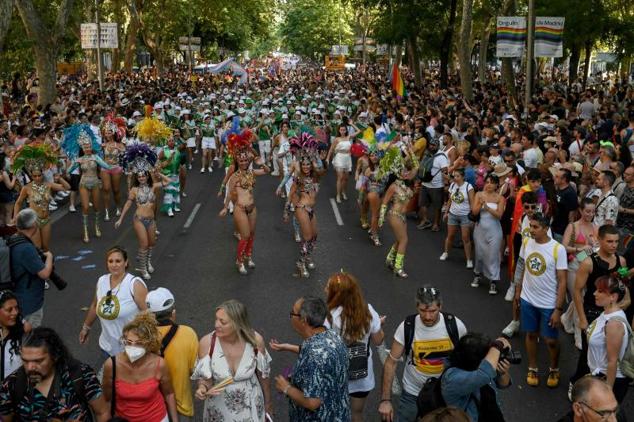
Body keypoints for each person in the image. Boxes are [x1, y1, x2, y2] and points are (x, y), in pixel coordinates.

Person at [378, 286, 467, 422]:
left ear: (440, 307)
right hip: (413, 392)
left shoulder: (456, 326)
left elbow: (467, 360)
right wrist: (385, 400)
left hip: (445, 393)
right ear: (416, 307)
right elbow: (391, 363)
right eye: (423, 311)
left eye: (432, 311)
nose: (427, 316)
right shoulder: (407, 326)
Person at [0, 327, 110, 421]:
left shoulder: (80, 374)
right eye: (25, 360)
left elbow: (102, 412)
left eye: (38, 361)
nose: (30, 367)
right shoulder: (11, 386)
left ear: (55, 356)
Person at [571, 225, 629, 394]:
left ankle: (600, 385)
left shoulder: (621, 261)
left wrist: (622, 304)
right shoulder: (588, 262)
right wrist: (582, 318)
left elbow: (623, 286)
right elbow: (576, 291)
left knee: (609, 354)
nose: (614, 245)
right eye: (610, 241)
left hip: (611, 313)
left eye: (616, 242)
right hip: (591, 312)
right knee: (587, 353)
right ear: (600, 241)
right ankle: (577, 383)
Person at [192, 299, 272, 421]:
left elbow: (263, 376)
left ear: (238, 324)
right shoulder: (207, 343)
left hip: (251, 406)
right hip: (219, 411)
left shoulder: (255, 341)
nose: (216, 325)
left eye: (222, 322)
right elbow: (205, 380)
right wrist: (202, 388)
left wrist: (268, 403)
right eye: (216, 319)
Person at [272, 296, 350, 421]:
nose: (291, 316)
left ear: (304, 320)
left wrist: (286, 387)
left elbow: (312, 402)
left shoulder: (314, 357)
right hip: (339, 412)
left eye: (293, 313)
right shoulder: (332, 335)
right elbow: (324, 366)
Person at [514, 212, 568, 388]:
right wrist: (517, 292)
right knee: (531, 334)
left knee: (550, 340)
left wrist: (558, 310)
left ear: (546, 229)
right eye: (531, 226)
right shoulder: (527, 242)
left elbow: (562, 281)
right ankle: (533, 367)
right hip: (528, 299)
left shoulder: (557, 249)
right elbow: (522, 267)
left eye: (536, 227)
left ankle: (554, 368)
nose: (531, 230)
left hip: (548, 305)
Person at [323, 272, 385, 422]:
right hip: (362, 374)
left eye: (328, 287)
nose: (325, 288)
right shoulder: (368, 311)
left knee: (335, 412)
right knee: (356, 413)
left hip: (337, 374)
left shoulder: (329, 316)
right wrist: (375, 325)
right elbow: (379, 340)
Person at [102, 312, 179, 422]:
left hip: (157, 418)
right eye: (129, 342)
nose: (132, 347)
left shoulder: (159, 364)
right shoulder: (111, 365)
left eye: (139, 343)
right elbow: (107, 399)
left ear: (148, 344)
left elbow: (169, 394)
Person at [79, 246, 148, 360]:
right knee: (111, 377)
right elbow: (95, 306)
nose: (114, 264)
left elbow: (149, 316)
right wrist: (86, 328)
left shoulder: (134, 284)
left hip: (131, 349)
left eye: (118, 261)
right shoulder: (102, 281)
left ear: (126, 263)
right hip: (107, 348)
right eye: (110, 261)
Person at [116, 143, 169, 280]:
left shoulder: (153, 187)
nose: (141, 178)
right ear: (137, 177)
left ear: (147, 176)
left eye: (143, 176)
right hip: (139, 219)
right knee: (144, 244)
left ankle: (147, 262)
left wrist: (159, 174)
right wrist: (121, 218)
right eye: (139, 176)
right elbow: (128, 204)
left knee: (152, 243)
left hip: (151, 220)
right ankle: (143, 268)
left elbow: (168, 182)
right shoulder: (134, 190)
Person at [146, 287, 199, 421]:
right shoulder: (188, 333)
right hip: (180, 407)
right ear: (173, 313)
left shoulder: (140, 337)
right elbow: (195, 370)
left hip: (150, 407)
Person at [11, 143, 69, 251]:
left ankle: (47, 265)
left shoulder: (48, 185)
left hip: (46, 220)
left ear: (43, 174)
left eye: (39, 175)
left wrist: (60, 178)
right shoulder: (27, 188)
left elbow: (67, 187)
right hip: (34, 221)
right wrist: (15, 218)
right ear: (31, 176)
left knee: (46, 248)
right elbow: (18, 203)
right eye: (35, 176)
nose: (37, 178)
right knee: (37, 248)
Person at [441, 333, 512, 422]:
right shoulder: (452, 378)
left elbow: (504, 384)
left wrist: (503, 373)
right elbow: (484, 374)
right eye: (487, 356)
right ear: (476, 360)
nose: (490, 358)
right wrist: (497, 346)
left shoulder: (477, 365)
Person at [284, 132, 325, 277]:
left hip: (311, 209)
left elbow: (322, 171)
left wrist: (315, 160)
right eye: (304, 164)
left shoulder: (314, 177)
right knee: (307, 237)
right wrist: (286, 211)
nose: (306, 166)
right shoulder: (298, 177)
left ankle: (307, 257)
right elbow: (291, 193)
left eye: (308, 164)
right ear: (300, 165)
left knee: (315, 236)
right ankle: (300, 263)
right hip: (301, 208)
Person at [63, 123, 112, 243]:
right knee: (85, 207)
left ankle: (96, 226)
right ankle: (85, 230)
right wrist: (72, 163)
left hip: (95, 183)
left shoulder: (96, 157)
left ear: (91, 146)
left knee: (96, 207)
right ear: (82, 148)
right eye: (85, 147)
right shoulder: (79, 159)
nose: (87, 148)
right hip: (83, 184)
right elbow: (68, 171)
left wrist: (107, 158)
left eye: (89, 146)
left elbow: (107, 166)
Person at [560, 198, 599, 349]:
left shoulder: (596, 227)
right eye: (587, 211)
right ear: (581, 210)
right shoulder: (573, 226)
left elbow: (598, 246)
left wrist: (595, 245)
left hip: (588, 267)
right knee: (579, 299)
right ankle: (578, 334)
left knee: (581, 297)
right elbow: (564, 246)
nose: (590, 214)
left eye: (593, 211)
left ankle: (566, 318)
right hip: (574, 266)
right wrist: (579, 249)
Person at [586, 275, 631, 403]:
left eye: (600, 291)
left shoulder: (613, 324)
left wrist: (607, 391)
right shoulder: (607, 312)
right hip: (598, 376)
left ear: (613, 297)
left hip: (609, 380)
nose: (594, 293)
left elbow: (612, 361)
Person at [7, 208, 52, 327]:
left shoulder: (13, 239)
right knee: (30, 339)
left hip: (16, 295)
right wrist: (49, 257)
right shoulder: (26, 248)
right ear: (33, 225)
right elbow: (44, 273)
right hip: (29, 303)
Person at [379, 147, 418, 277]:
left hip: (403, 216)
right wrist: (381, 218)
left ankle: (390, 259)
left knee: (399, 239)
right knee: (404, 240)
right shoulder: (393, 186)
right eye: (403, 171)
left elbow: (416, 166)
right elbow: (384, 202)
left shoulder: (407, 184)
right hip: (394, 215)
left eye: (407, 171)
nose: (406, 173)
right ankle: (398, 267)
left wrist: (410, 149)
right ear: (398, 172)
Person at [471, 174, 506, 294]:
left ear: (497, 185)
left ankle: (493, 281)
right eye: (487, 182)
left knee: (493, 255)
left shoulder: (500, 198)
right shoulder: (479, 194)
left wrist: (487, 207)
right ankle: (477, 274)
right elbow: (474, 212)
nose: (488, 185)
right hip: (480, 229)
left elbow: (500, 215)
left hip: (495, 230)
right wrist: (480, 204)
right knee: (479, 253)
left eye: (491, 182)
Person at [440, 168, 475, 268]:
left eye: (458, 176)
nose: (455, 178)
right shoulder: (452, 185)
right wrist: (446, 212)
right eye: (454, 176)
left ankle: (469, 259)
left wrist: (473, 217)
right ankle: (446, 252)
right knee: (450, 235)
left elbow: (472, 203)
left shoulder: (469, 187)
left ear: (463, 177)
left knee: (465, 238)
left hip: (465, 215)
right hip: (453, 214)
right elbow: (450, 200)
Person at [418, 137, 448, 232]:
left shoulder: (441, 157)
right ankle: (425, 220)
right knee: (423, 204)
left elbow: (445, 171)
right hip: (425, 184)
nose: (431, 146)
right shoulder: (427, 154)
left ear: (438, 146)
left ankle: (436, 224)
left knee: (437, 206)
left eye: (434, 145)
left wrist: (446, 184)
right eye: (430, 145)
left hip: (437, 186)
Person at [99, 115, 126, 221]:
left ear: (113, 133)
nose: (107, 134)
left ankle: (118, 206)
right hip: (105, 168)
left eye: (109, 132)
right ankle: (106, 211)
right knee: (106, 189)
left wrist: (119, 148)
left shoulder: (119, 144)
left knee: (116, 190)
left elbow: (125, 152)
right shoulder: (102, 145)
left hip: (116, 168)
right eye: (106, 132)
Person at [0, 290, 30, 381]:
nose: (15, 313)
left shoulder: (22, 332)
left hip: (16, 389)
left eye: (16, 308)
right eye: (9, 310)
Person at [326, 124, 360, 203]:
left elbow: (359, 131)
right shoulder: (336, 139)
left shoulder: (348, 137)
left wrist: (352, 124)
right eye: (341, 130)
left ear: (346, 130)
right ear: (339, 130)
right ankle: (338, 195)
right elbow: (331, 149)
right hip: (339, 158)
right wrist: (327, 158)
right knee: (340, 177)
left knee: (346, 178)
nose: (342, 131)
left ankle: (343, 192)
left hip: (347, 158)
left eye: (344, 130)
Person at [552, 168, 579, 242]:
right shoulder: (559, 188)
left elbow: (572, 215)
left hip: (562, 231)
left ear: (563, 180)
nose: (554, 177)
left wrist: (570, 232)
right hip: (555, 226)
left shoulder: (570, 194)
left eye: (557, 177)